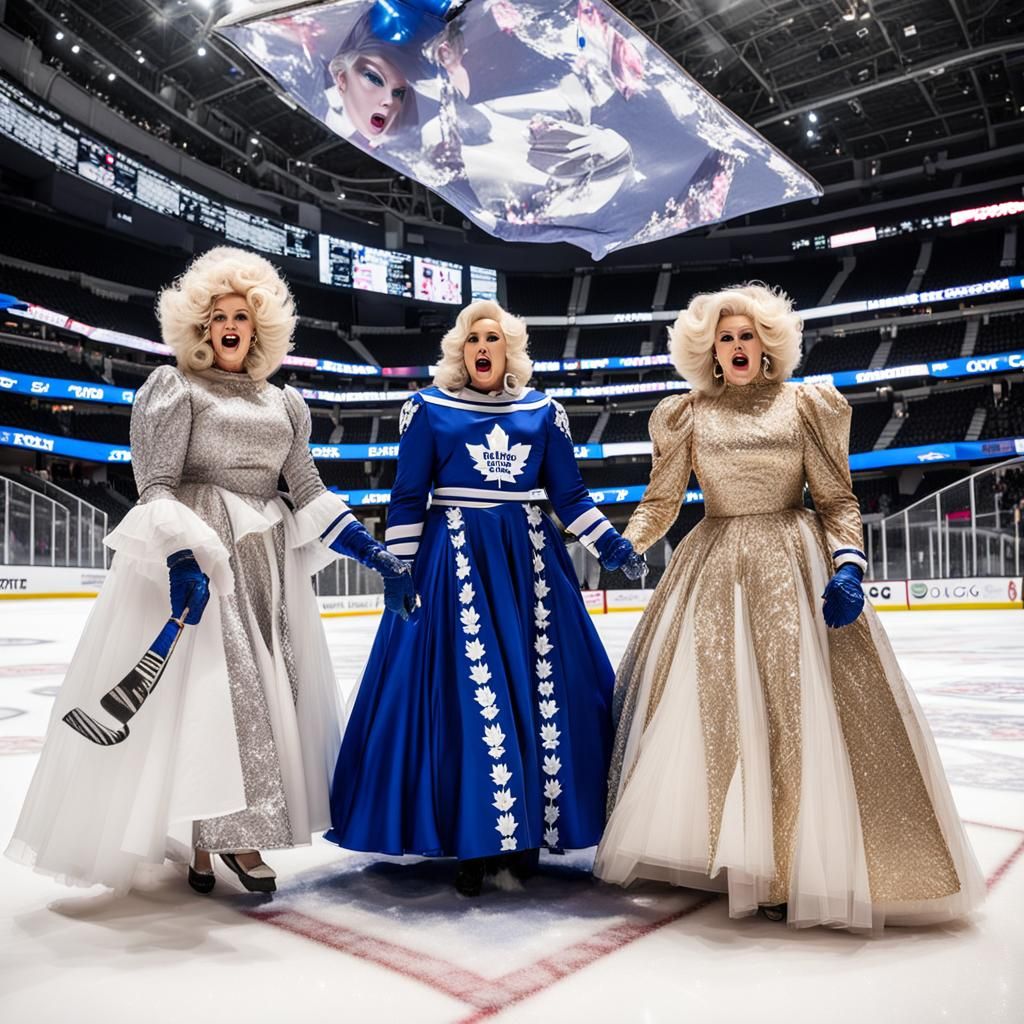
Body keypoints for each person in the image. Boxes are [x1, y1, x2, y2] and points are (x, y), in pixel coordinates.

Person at [5, 247, 415, 895]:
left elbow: (307, 488)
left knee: (253, 696)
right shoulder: (176, 389)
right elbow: (156, 483)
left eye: (242, 316)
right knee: (221, 698)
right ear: (199, 327)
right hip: (203, 555)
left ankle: (207, 843)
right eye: (217, 315)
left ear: (259, 328)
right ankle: (232, 838)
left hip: (264, 565)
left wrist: (375, 553)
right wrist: (176, 557)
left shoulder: (287, 405)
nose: (230, 325)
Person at [593, 283, 985, 930]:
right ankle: (746, 857)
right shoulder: (685, 413)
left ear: (767, 342)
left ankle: (797, 860)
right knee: (720, 715)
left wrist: (848, 565)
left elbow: (837, 501)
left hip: (793, 569)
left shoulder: (808, 406)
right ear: (710, 351)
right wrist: (626, 542)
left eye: (747, 335)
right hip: (714, 569)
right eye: (726, 338)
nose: (738, 347)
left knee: (796, 714)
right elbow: (661, 502)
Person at [326, 299, 645, 896]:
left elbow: (570, 498)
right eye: (472, 338)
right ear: (459, 350)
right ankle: (474, 842)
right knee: (471, 699)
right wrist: (398, 565)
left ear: (509, 351)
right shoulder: (428, 408)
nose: (481, 347)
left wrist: (611, 547)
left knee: (534, 693)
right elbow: (406, 496)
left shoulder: (544, 411)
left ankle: (524, 836)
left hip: (530, 570)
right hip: (453, 568)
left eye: (492, 338)